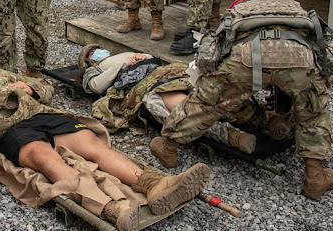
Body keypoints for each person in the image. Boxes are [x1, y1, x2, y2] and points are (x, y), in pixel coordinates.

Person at [0, 68, 210, 231]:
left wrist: (32, 89)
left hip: (40, 115)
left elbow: (46, 88)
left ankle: (153, 184)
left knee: (92, 145)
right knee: (45, 159)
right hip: (7, 133)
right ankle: (111, 208)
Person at [152, 0, 333, 199]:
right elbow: (326, 53)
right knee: (314, 113)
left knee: (207, 104)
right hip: (300, 56)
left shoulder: (237, 14)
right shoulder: (297, 10)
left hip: (246, 55)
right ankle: (315, 178)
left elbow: (209, 56)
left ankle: (168, 147)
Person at [77, 44, 264, 161]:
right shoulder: (94, 70)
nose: (96, 52)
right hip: (142, 83)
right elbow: (95, 87)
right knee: (174, 101)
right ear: (89, 62)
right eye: (91, 53)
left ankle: (257, 117)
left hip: (167, 71)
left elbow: (151, 60)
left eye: (96, 49)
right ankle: (230, 135)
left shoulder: (124, 53)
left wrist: (142, 56)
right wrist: (123, 63)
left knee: (209, 88)